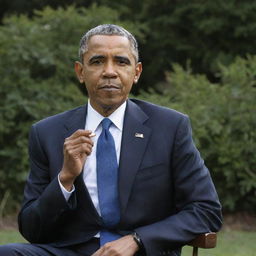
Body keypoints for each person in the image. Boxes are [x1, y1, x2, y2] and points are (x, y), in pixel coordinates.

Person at [0, 24, 222, 256]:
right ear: (80, 71)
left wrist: (137, 240)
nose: (109, 71)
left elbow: (206, 210)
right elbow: (31, 229)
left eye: (121, 61)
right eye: (97, 62)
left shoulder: (170, 127)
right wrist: (65, 179)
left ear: (136, 72)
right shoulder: (47, 133)